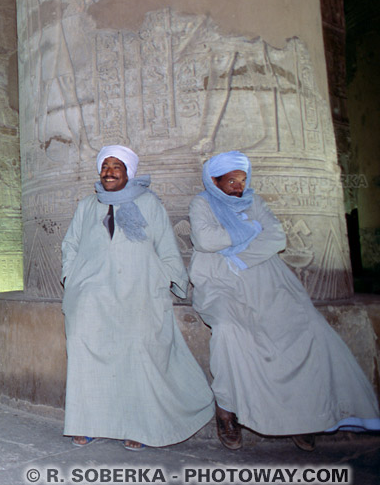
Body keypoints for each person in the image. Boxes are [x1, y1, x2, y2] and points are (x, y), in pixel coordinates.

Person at [188, 151, 380, 451]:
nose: (239, 187)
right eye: (231, 181)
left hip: (267, 281)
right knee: (228, 331)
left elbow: (277, 237)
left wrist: (239, 256)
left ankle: (302, 416)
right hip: (218, 283)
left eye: (242, 180)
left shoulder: (256, 202)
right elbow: (205, 241)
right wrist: (251, 230)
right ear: (214, 181)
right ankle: (226, 410)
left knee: (307, 329)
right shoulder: (202, 203)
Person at [61, 145, 214, 450]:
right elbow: (71, 244)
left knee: (138, 353)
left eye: (117, 166)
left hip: (139, 291)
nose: (109, 172)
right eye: (105, 166)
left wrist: (166, 279)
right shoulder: (88, 206)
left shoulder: (148, 203)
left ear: (129, 172)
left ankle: (140, 426)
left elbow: (166, 246)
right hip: (92, 293)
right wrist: (70, 276)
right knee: (84, 349)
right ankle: (89, 423)